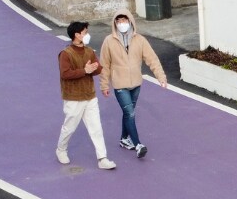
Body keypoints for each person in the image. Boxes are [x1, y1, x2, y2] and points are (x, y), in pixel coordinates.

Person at [99, 9, 167, 159]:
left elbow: (152, 59)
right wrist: (104, 85)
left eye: (124, 20)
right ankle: (138, 145)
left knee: (127, 113)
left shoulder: (140, 40)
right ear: (115, 23)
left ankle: (124, 139)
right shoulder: (109, 41)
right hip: (120, 85)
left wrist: (160, 77)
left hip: (136, 84)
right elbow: (104, 65)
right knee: (130, 113)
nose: (121, 23)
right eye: (118, 21)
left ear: (130, 22)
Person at [57, 21, 116, 170]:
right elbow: (65, 74)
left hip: (90, 96)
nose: (87, 34)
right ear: (77, 35)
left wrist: (96, 68)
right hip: (73, 98)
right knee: (69, 127)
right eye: (85, 32)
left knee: (96, 128)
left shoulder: (90, 51)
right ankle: (61, 149)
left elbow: (97, 69)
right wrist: (85, 70)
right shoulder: (65, 54)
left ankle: (102, 158)